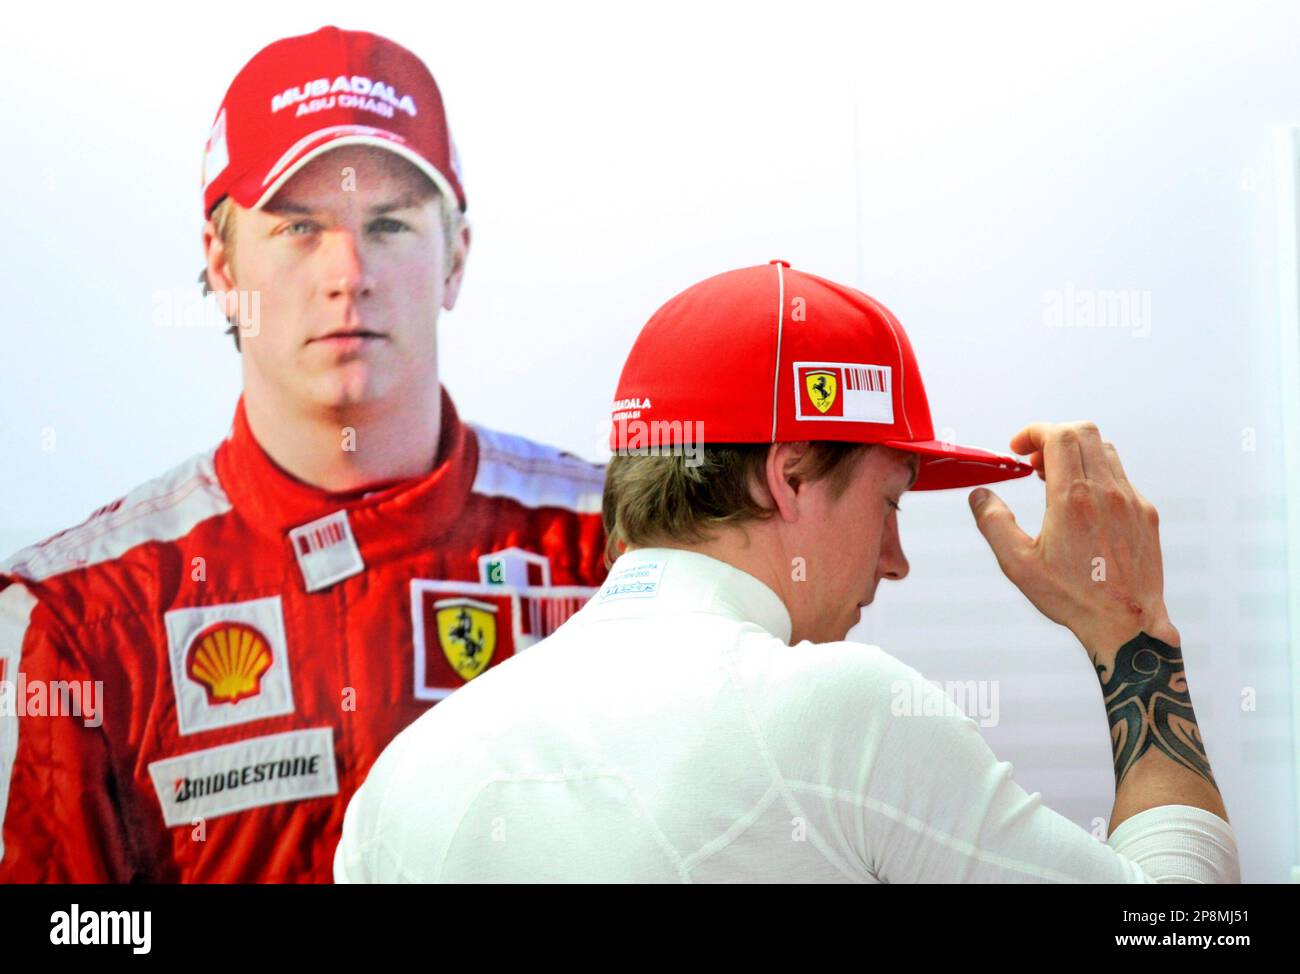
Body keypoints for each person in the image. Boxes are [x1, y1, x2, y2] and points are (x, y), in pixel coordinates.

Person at [334, 260, 1239, 883]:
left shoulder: (399, 784)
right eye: (889, 504)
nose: (897, 561)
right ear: (793, 473)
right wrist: (1131, 631)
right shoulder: (836, 713)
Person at [0, 25, 606, 882]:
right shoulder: (81, 618)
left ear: (456, 257)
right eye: (298, 228)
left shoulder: (623, 555)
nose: (349, 271)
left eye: (390, 223)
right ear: (220, 260)